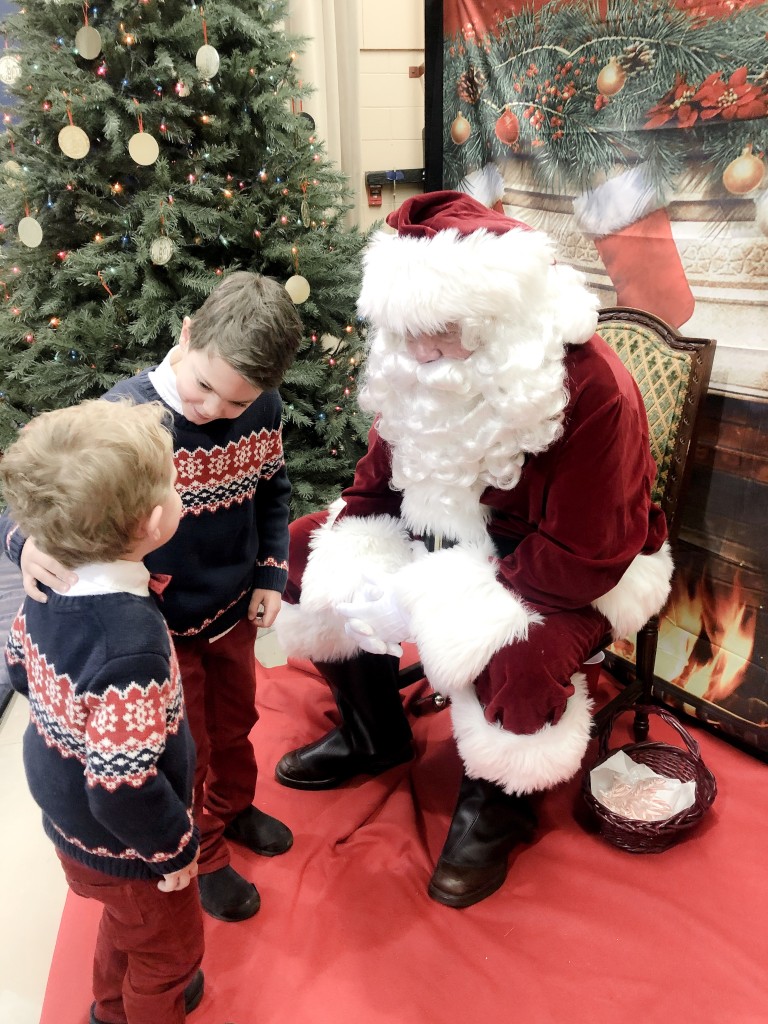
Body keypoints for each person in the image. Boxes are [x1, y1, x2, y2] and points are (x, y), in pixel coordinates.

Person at [273, 191, 673, 909]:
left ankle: (500, 804)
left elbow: (587, 556)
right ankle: (374, 732)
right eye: (409, 333)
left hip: (577, 565)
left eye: (444, 331)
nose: (423, 352)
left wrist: (423, 601)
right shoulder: (417, 362)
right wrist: (358, 559)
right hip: (457, 537)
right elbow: (375, 488)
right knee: (310, 546)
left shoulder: (591, 387)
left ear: (500, 319)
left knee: (515, 647)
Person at [2, 271, 304, 923]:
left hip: (232, 614)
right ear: (188, 334)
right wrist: (21, 545)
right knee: (184, 752)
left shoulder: (263, 410)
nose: (212, 412)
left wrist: (271, 572)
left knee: (235, 725)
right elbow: (41, 491)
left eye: (236, 403)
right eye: (203, 388)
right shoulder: (127, 420)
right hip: (159, 636)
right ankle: (209, 852)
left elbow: (274, 491)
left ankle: (236, 806)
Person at [1, 399, 204, 1024]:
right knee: (169, 951)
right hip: (128, 844)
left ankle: (111, 1007)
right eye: (173, 483)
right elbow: (122, 787)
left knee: (128, 926)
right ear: (153, 521)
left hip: (64, 808)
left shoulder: (49, 582)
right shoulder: (129, 648)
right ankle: (143, 1010)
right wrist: (174, 849)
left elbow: (19, 663)